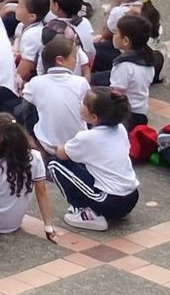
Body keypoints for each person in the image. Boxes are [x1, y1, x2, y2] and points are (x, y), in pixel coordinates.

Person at [52, 87, 140, 230]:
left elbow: (61, 153)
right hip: (131, 196)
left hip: (109, 200)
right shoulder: (120, 129)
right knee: (83, 163)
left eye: (84, 104)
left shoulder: (87, 138)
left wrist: (58, 146)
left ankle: (84, 212)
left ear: (94, 117)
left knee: (55, 164)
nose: (81, 105)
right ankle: (114, 213)